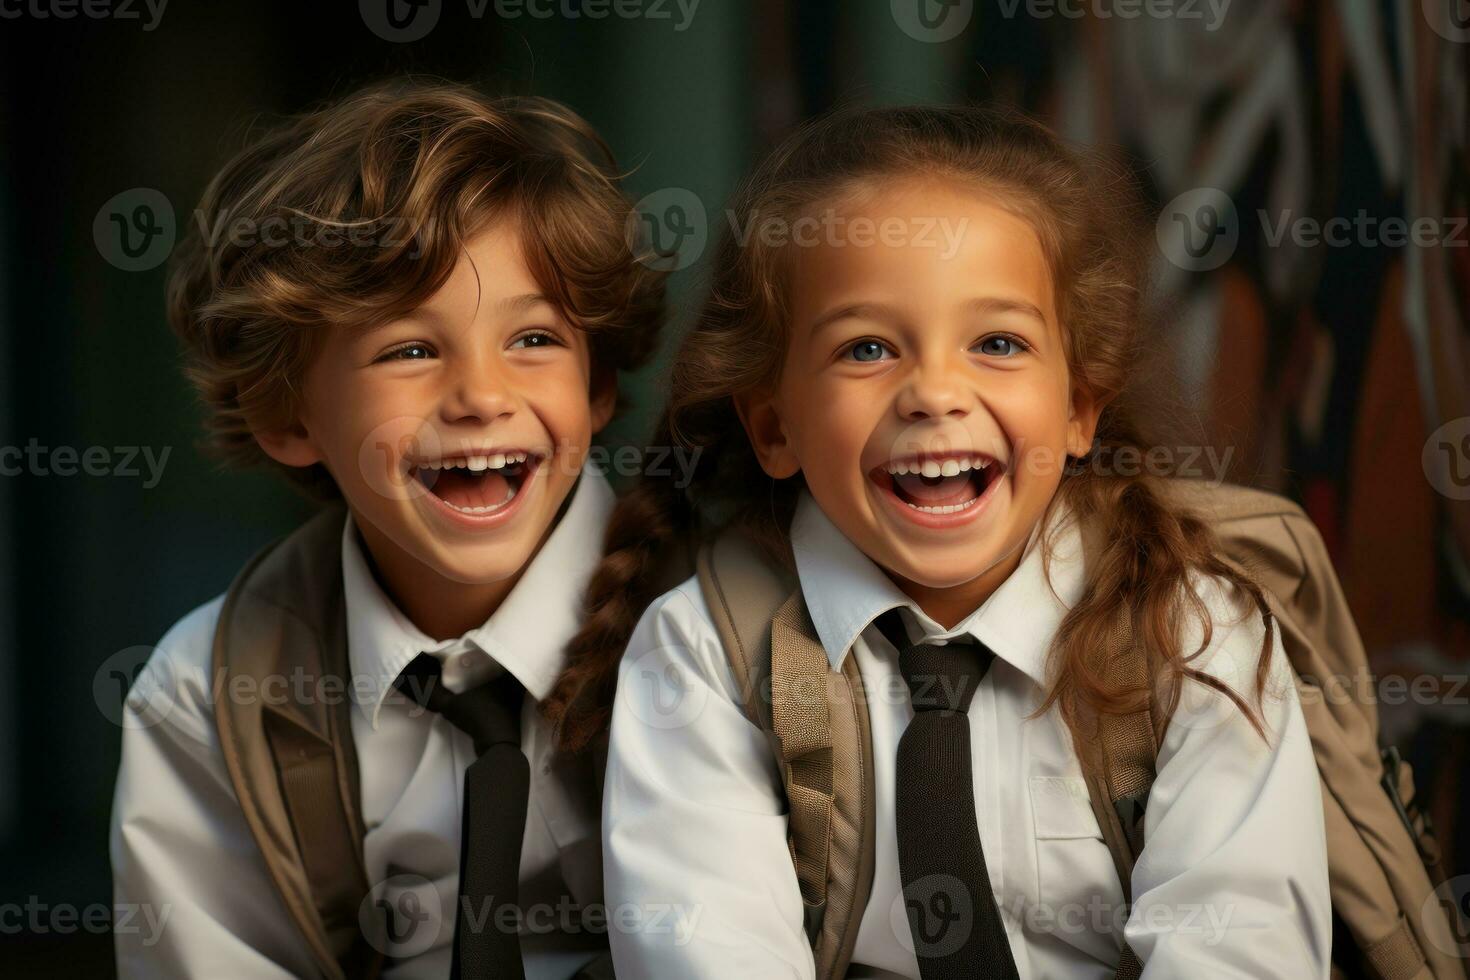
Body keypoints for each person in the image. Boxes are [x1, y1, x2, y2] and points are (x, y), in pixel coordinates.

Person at [548, 103, 1331, 978]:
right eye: (868, 348)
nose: (934, 393)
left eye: (997, 342)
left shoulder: (1192, 634)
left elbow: (1239, 951)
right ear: (774, 425)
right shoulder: (708, 653)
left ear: (1078, 408)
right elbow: (706, 952)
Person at [110, 80, 665, 979]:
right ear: (286, 415)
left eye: (534, 339)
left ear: (598, 384)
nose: (483, 397)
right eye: (410, 350)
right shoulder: (208, 692)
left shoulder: (733, 629)